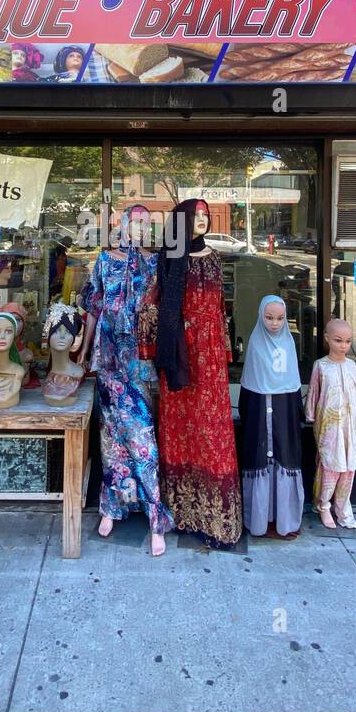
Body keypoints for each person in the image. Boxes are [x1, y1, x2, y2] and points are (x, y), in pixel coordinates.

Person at [141, 199, 242, 549]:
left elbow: (219, 309)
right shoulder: (169, 256)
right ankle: (182, 512)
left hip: (209, 355)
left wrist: (222, 348)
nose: (201, 220)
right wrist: (158, 346)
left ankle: (215, 519)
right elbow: (153, 304)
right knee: (180, 426)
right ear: (182, 220)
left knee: (211, 426)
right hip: (179, 352)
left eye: (205, 215)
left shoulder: (214, 258)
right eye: (194, 215)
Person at [82, 205, 172, 556]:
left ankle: (155, 517)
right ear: (121, 225)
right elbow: (94, 306)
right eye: (134, 222)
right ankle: (112, 506)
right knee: (111, 439)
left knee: (143, 440)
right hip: (109, 359)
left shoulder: (153, 264)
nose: (138, 228)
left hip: (140, 361)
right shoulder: (104, 260)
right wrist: (84, 351)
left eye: (145, 224)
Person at [238, 295, 305, 538]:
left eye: (279, 318)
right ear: (260, 316)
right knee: (259, 457)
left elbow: (293, 384)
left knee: (283, 457)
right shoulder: (256, 343)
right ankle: (259, 520)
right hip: (258, 408)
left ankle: (284, 520)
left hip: (284, 410)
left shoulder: (289, 343)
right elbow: (249, 385)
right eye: (269, 317)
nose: (274, 323)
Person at [304, 319, 356, 529]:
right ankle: (323, 504)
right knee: (330, 465)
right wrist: (311, 414)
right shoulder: (321, 366)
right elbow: (313, 393)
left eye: (348, 341)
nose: (343, 345)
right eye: (338, 340)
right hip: (329, 425)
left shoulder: (351, 366)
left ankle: (342, 507)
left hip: (351, 424)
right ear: (327, 339)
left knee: (349, 466)